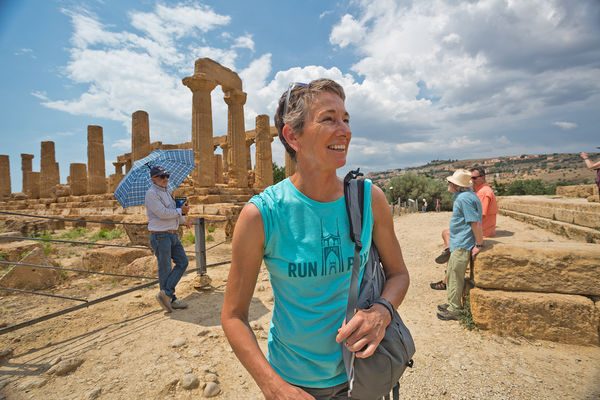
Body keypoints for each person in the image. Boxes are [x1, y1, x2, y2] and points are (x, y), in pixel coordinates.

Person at [221, 79, 410, 399]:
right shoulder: (261, 215)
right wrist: (273, 386)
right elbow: (233, 316)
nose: (345, 130)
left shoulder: (369, 199)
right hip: (294, 383)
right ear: (293, 135)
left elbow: (398, 275)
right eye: (329, 118)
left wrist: (382, 311)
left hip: (362, 375)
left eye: (346, 119)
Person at [430, 166, 496, 290]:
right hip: (479, 229)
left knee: (452, 241)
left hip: (481, 231)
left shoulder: (482, 193)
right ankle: (450, 252)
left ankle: (446, 280)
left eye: (474, 177)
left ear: (482, 177)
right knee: (446, 234)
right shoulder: (475, 193)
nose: (473, 180)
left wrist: (479, 243)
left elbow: (476, 219)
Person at [436, 169, 483, 321]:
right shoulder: (466, 197)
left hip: (463, 243)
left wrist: (478, 244)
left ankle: (455, 309)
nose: (448, 185)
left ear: (456, 185)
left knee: (455, 275)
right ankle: (451, 303)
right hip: (459, 242)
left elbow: (474, 222)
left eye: (450, 183)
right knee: (451, 274)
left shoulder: (464, 199)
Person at [145, 166, 191, 313]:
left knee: (183, 262)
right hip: (160, 235)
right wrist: (179, 211)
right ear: (153, 179)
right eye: (161, 177)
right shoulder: (151, 194)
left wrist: (184, 220)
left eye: (166, 176)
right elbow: (162, 213)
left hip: (172, 234)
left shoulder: (167, 192)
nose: (165, 179)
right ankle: (170, 298)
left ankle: (166, 294)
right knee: (165, 268)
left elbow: (174, 211)